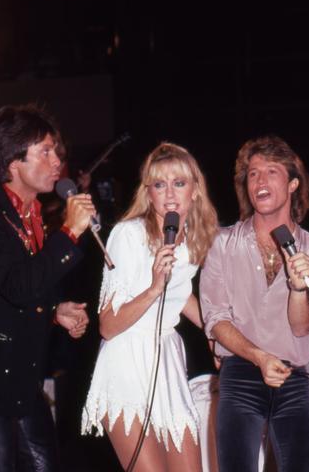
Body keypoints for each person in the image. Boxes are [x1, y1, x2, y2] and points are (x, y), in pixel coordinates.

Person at [0, 104, 96, 472]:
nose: (57, 160)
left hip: (23, 377)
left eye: (56, 151)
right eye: (44, 151)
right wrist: (70, 232)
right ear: (14, 162)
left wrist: (55, 311)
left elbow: (29, 287)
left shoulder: (32, 214)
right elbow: (16, 285)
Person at [200, 135, 309, 472]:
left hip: (293, 377)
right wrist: (259, 357)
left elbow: (302, 326)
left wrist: (298, 287)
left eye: (270, 171)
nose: (259, 180)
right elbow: (216, 319)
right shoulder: (222, 243)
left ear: (292, 184)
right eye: (252, 174)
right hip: (240, 373)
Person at [82, 142, 218, 472]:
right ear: (149, 192)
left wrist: (220, 335)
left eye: (179, 183)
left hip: (167, 361)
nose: (170, 194)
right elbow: (108, 326)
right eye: (159, 184)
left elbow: (182, 295)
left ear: (195, 190)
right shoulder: (127, 235)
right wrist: (154, 286)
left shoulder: (192, 238)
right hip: (126, 363)